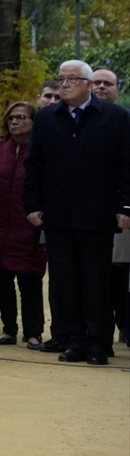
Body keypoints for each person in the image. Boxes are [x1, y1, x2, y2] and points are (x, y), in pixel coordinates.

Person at [24, 59, 130, 365]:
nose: (65, 84)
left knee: (96, 280)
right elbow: (34, 164)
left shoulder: (115, 117)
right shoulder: (47, 118)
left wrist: (125, 206)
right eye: (61, 79)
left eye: (72, 79)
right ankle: (73, 340)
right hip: (58, 212)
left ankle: (97, 343)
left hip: (98, 213)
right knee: (64, 281)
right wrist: (32, 205)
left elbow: (126, 165)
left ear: (88, 85)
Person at [0, 102, 47, 349]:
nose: (15, 122)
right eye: (11, 118)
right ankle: (8, 330)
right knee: (2, 280)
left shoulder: (43, 149)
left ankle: (33, 333)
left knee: (29, 280)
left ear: (34, 121)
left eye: (21, 117)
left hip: (28, 225)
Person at [95, 68, 130, 348]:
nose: (101, 87)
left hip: (120, 209)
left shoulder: (123, 119)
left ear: (117, 89)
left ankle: (124, 327)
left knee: (119, 271)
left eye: (108, 83)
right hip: (88, 210)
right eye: (96, 82)